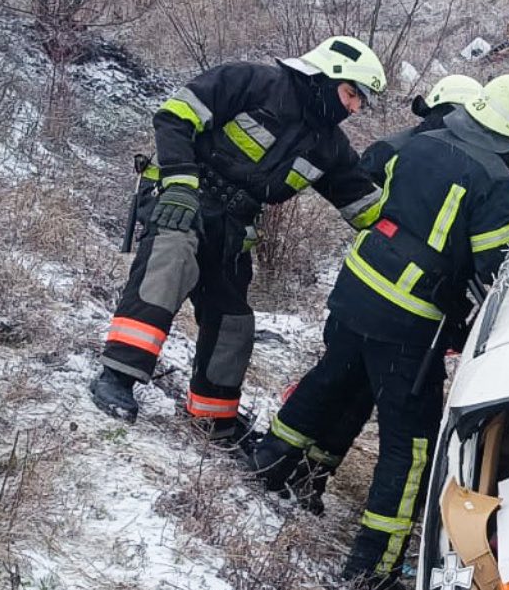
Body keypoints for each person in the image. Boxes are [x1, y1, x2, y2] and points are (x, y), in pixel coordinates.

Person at [245, 74, 509, 590]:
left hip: (355, 292)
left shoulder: (421, 142)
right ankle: (373, 567)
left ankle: (271, 464)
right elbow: (496, 270)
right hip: (408, 322)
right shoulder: (496, 183)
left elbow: (367, 197)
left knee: (329, 381)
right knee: (408, 450)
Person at [89, 36, 387, 436]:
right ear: (323, 75)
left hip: (232, 227)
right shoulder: (252, 81)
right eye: (351, 93)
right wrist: (179, 183)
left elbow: (369, 209)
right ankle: (118, 376)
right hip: (183, 196)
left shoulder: (330, 147)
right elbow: (174, 117)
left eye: (361, 102)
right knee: (171, 259)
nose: (353, 108)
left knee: (234, 321)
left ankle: (212, 419)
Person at [256, 75, 493, 505]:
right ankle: (290, 469)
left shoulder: (414, 150)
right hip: (387, 299)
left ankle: (307, 475)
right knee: (340, 386)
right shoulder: (404, 151)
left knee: (349, 390)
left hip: (371, 293)